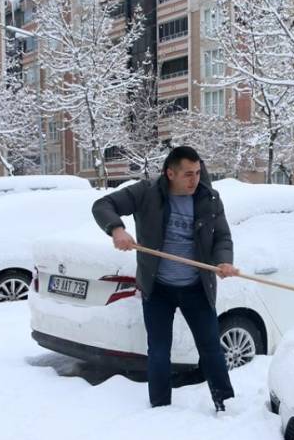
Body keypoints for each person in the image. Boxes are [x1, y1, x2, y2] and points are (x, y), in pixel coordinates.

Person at [91, 146, 239, 412]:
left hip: (197, 287)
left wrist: (223, 261)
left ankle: (225, 403)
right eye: (187, 174)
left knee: (210, 347)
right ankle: (160, 407)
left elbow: (222, 237)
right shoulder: (146, 192)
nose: (195, 180)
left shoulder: (209, 198)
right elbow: (103, 205)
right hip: (157, 288)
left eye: (197, 173)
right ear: (170, 173)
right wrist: (116, 229)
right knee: (159, 350)